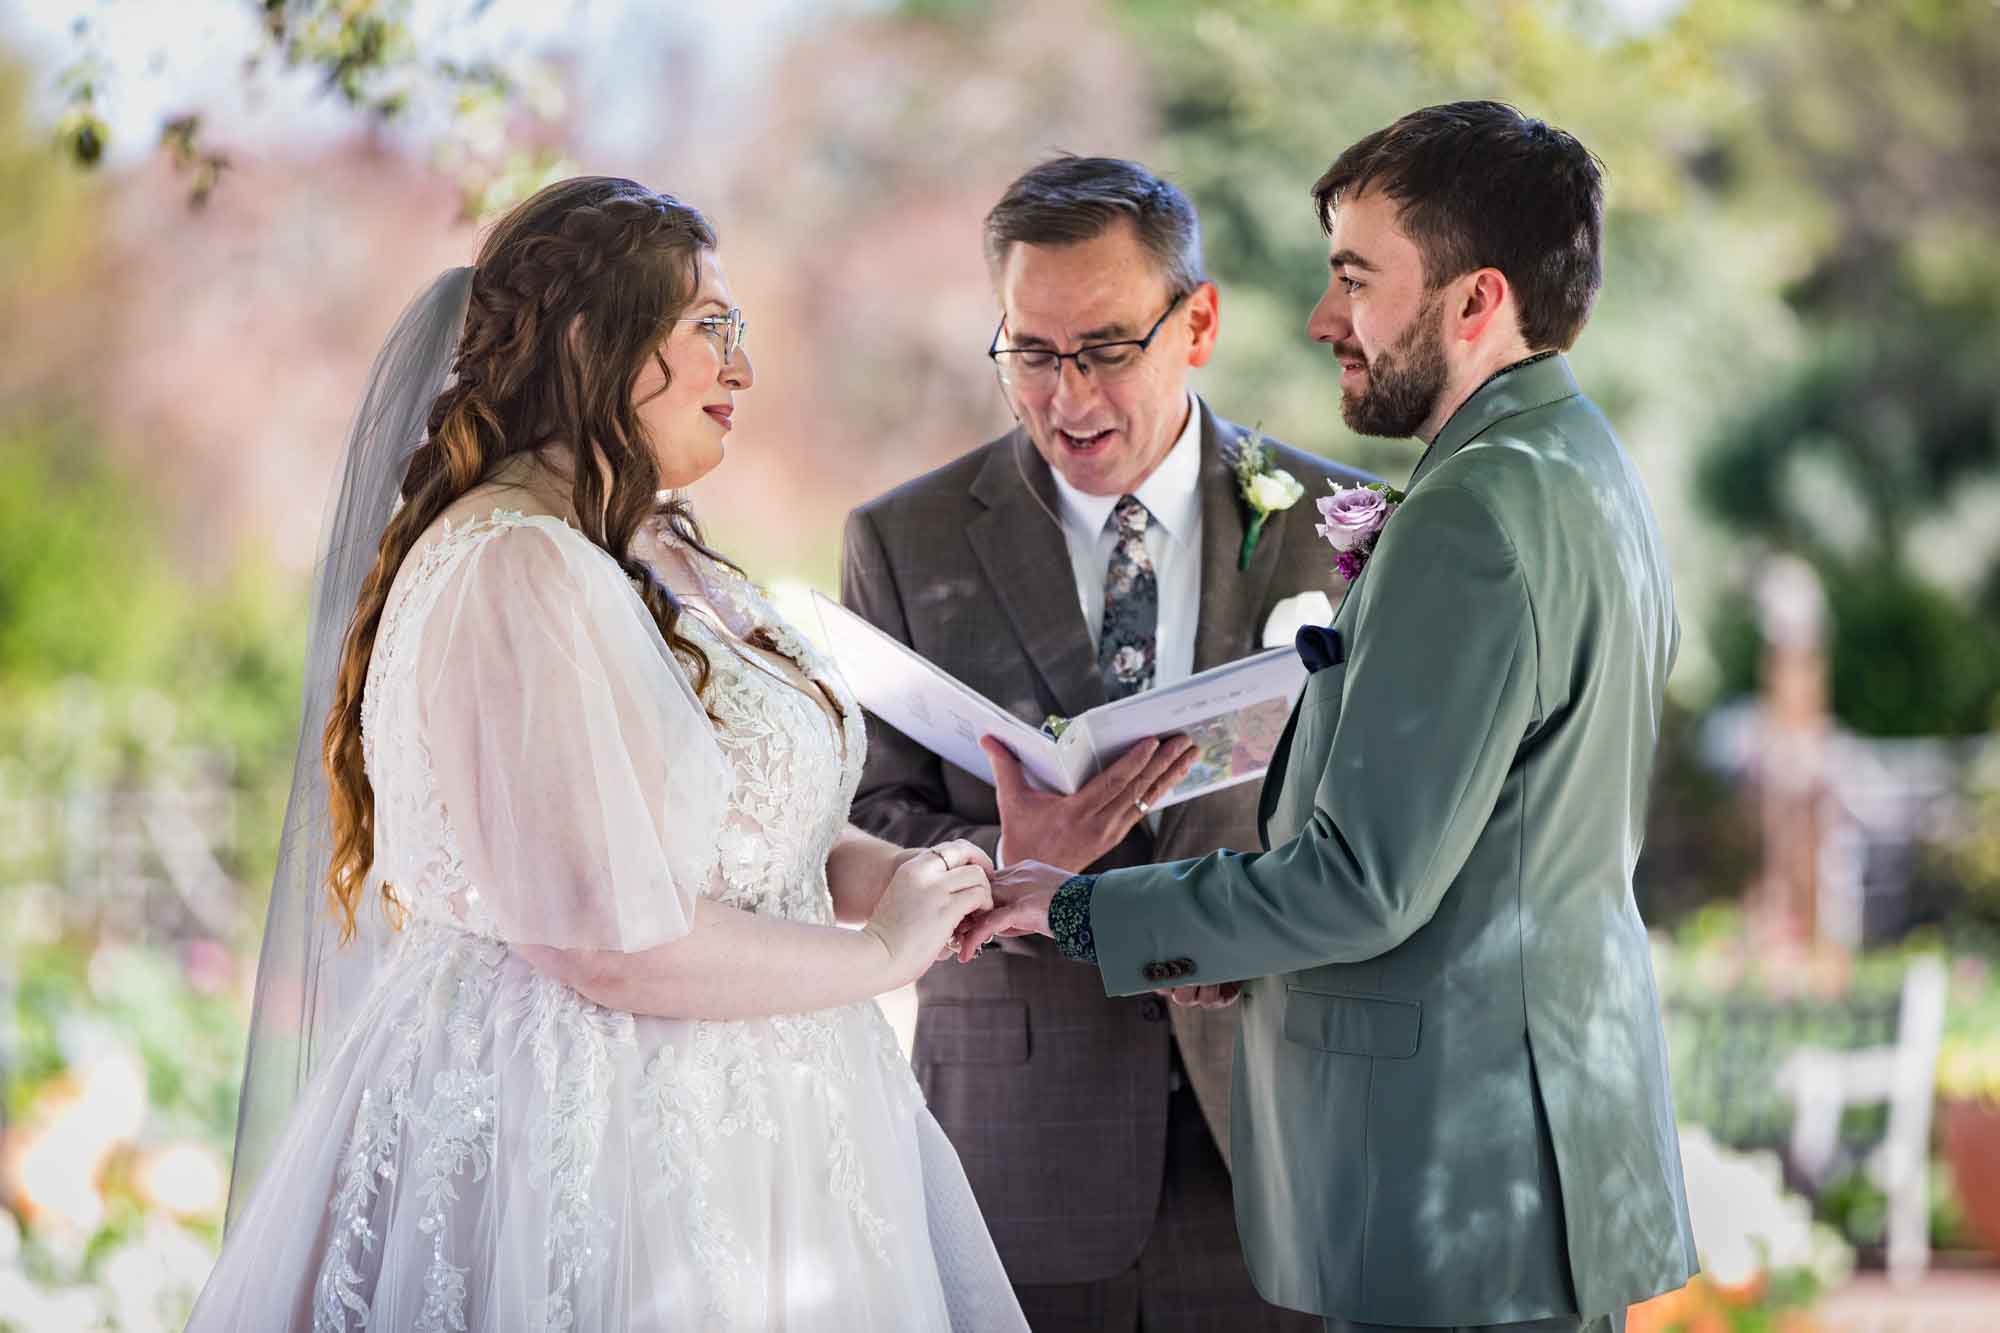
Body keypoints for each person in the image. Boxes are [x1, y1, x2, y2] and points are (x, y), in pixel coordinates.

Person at [189, 176, 1027, 1332]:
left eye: (740, 332)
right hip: (597, 1138)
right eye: (711, 330)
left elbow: (729, 818)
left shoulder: (645, 550)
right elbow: (607, 938)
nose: (742, 369)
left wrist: (901, 878)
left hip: (778, 1128)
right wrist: (886, 955)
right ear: (593, 340)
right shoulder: (517, 566)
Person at [963, 104, 1698, 1333]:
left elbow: (1362, 883)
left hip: (1450, 1181)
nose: (1319, 321)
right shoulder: (1583, 466)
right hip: (1531, 1157)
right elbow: (1482, 852)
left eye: (1354, 279)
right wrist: (1236, 954)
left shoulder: (1468, 515)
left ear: (1475, 303)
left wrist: (1071, 901)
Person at [842, 155, 1370, 1331]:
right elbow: (857, 823)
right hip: (1026, 1159)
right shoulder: (902, 539)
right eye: (1030, 352)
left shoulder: (1347, 525)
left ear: (1199, 322)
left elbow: (1387, 823)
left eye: (1105, 348)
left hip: (1284, 1134)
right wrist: (1005, 854)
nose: (1065, 395)